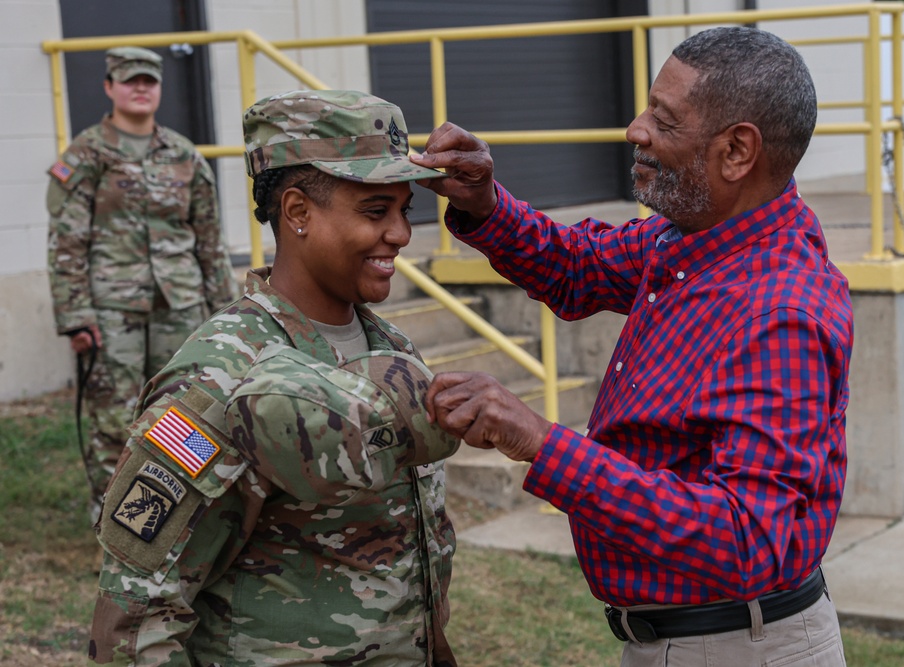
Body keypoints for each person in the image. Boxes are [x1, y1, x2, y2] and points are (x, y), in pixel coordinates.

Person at [413, 26, 853, 666]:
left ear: (737, 152)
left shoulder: (779, 311)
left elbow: (746, 539)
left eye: (664, 120)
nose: (634, 128)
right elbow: (576, 264)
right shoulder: (688, 242)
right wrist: (484, 203)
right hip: (686, 638)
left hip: (734, 648)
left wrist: (540, 442)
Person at [87, 89, 460, 667]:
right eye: (374, 211)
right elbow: (137, 617)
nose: (401, 234)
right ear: (297, 212)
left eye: (403, 210)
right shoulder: (220, 374)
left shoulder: (392, 346)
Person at [46, 46, 238, 524]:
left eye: (149, 81)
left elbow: (210, 243)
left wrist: (227, 315)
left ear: (159, 89)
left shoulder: (184, 155)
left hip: (182, 306)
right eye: (129, 80)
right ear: (109, 87)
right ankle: (114, 520)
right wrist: (76, 318)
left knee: (188, 412)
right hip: (112, 313)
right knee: (115, 419)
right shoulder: (86, 154)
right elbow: (66, 242)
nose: (140, 88)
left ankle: (182, 514)